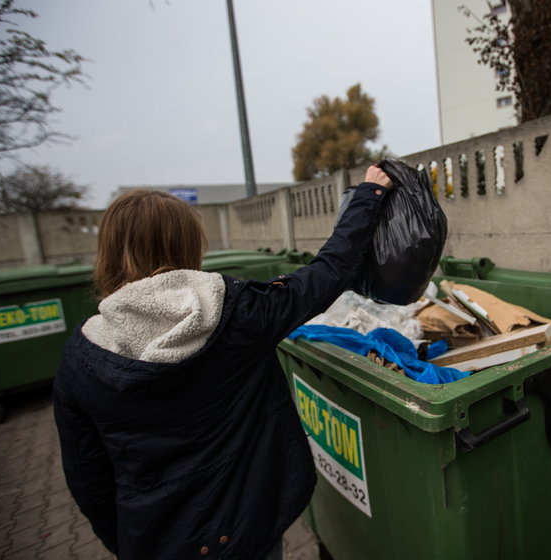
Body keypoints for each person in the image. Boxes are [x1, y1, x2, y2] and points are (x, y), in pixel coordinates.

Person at [53, 166, 393, 560]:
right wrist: (370, 193)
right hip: (247, 531)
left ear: (108, 252)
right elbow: (330, 270)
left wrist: (131, 541)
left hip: (155, 539)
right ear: (187, 246)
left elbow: (87, 477)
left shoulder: (81, 357)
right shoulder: (239, 315)